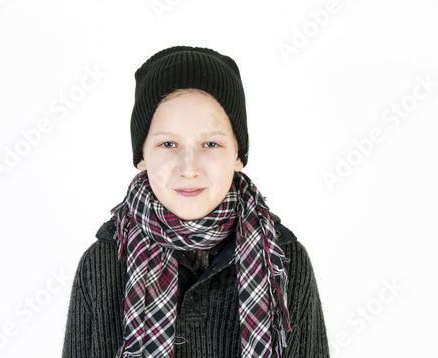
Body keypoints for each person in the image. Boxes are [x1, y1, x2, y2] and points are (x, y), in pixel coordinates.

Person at [62, 46, 330, 358]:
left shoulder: (284, 261)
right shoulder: (103, 263)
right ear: (142, 156)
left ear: (238, 155)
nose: (189, 168)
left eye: (211, 143)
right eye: (168, 143)